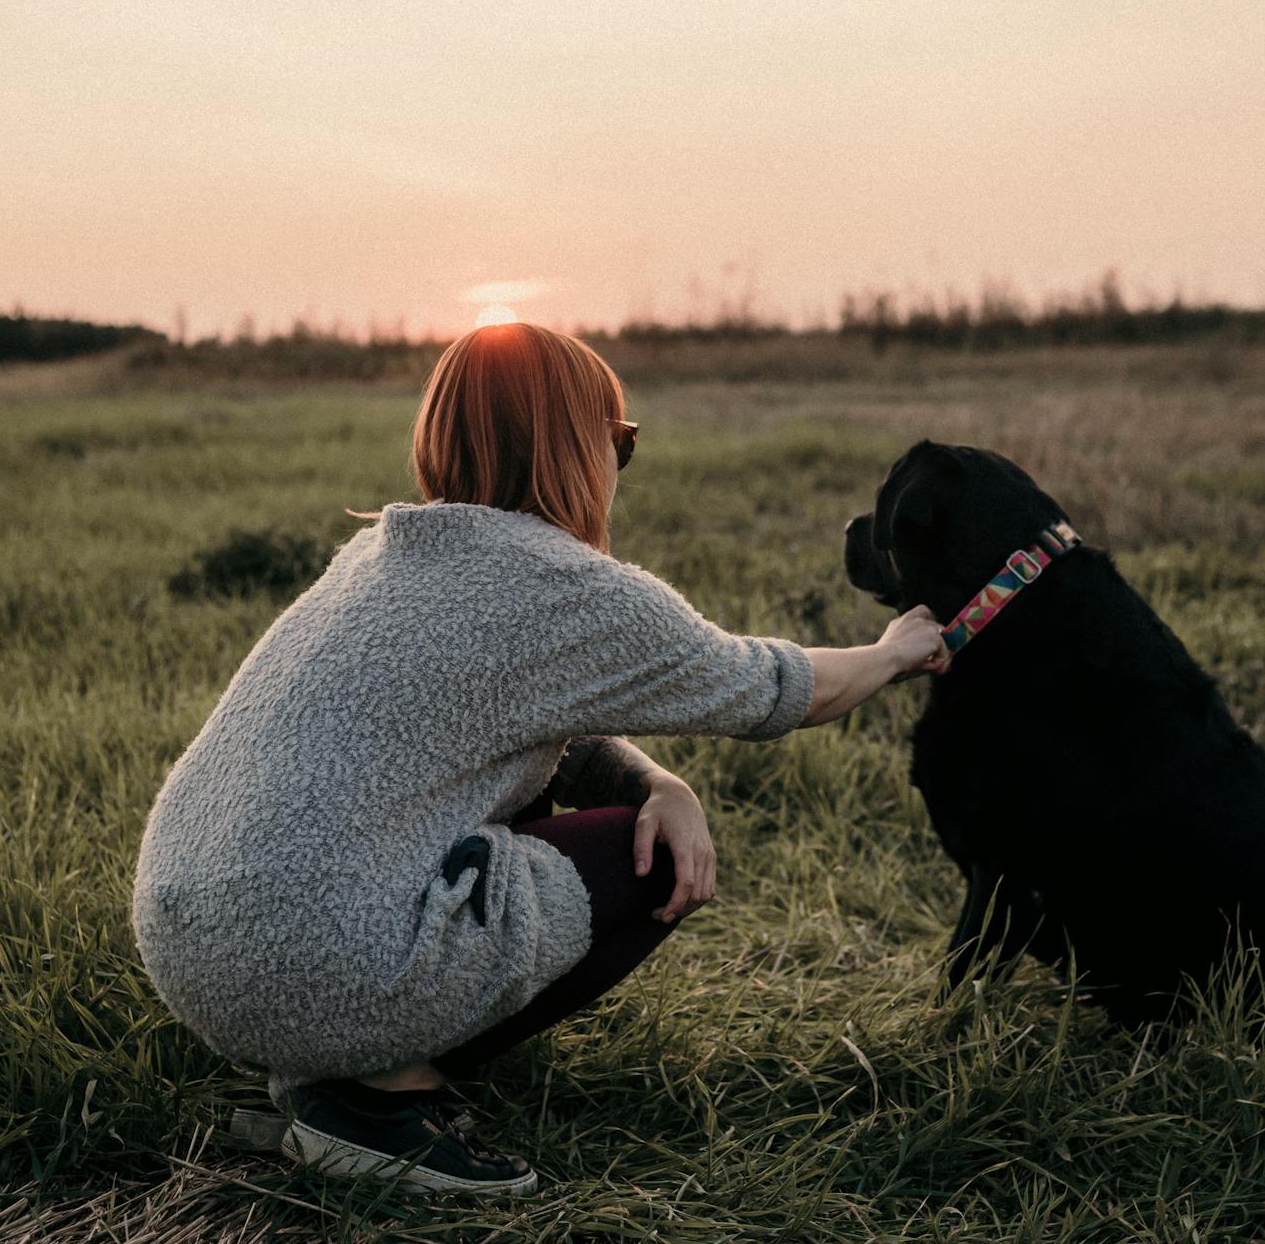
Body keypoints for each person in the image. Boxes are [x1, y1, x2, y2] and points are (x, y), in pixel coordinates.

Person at [131, 322, 948, 1196]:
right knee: (653, 863)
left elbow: (534, 723)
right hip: (316, 955)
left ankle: (345, 1061)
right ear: (575, 444)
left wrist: (659, 781)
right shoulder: (561, 585)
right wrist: (896, 649)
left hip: (193, 954)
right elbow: (777, 690)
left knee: (563, 810)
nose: (618, 463)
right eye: (618, 440)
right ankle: (371, 1105)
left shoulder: (380, 555)